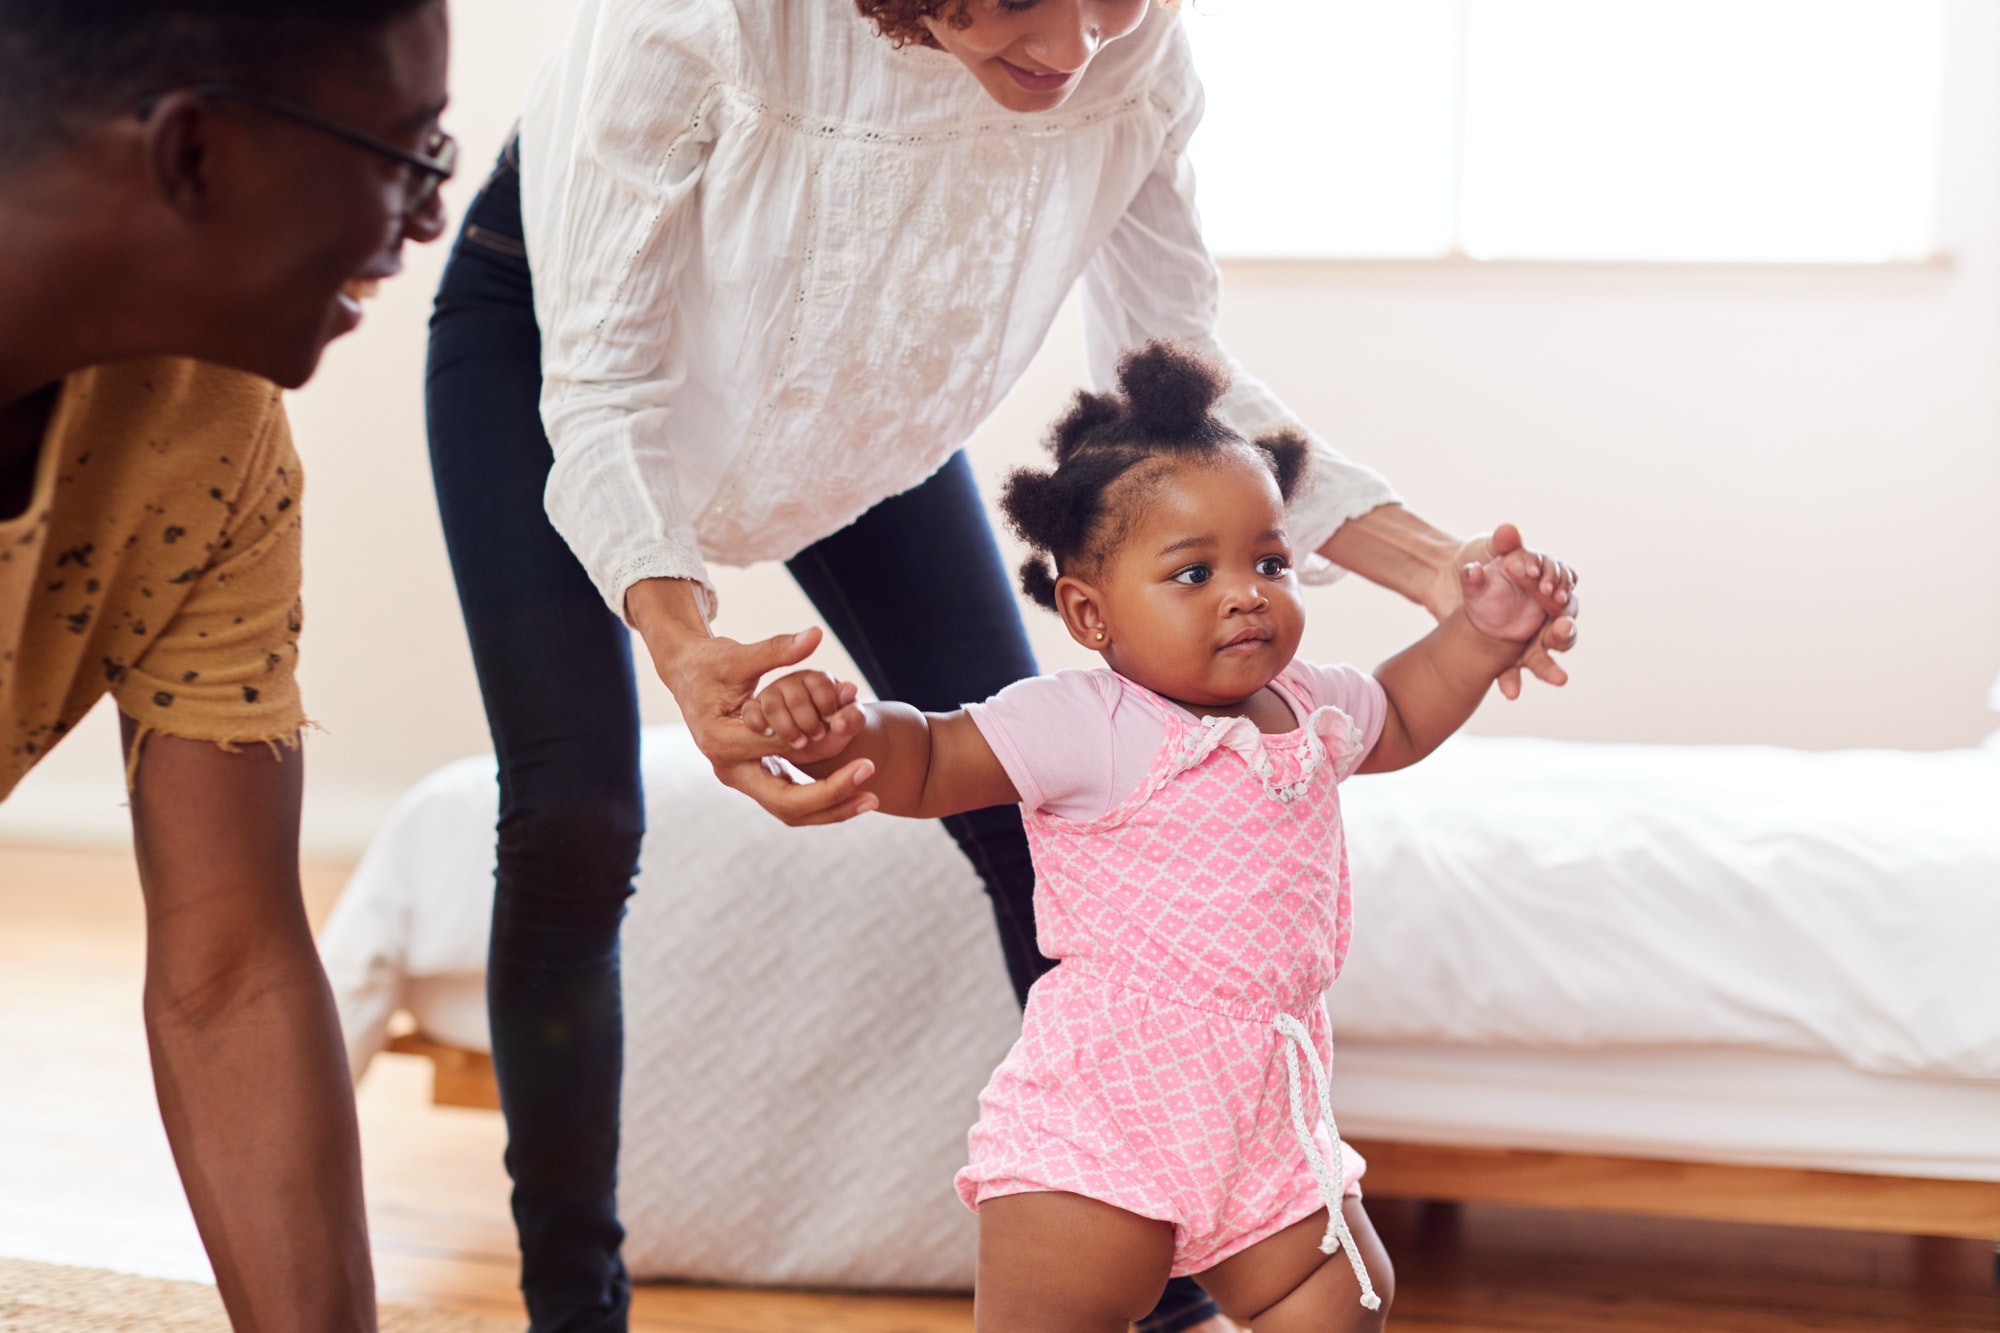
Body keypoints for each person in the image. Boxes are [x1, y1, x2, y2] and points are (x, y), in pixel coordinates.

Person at [425, 1, 1579, 1328]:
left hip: (861, 402)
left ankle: (1160, 1267)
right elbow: (608, 394)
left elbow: (1185, 384)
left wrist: (1442, 575)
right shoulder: (704, 21)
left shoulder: (1131, 49)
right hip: (564, 352)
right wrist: (686, 646)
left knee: (1037, 824)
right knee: (577, 815)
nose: (1082, 42)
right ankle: (576, 1305)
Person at [750, 342, 1577, 1333]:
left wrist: (1479, 638)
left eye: (1269, 561)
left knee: (1344, 1293)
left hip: (1263, 1123)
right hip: (1105, 1123)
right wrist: (836, 733)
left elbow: (1398, 715)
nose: (1244, 591)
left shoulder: (1304, 704)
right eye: (1192, 571)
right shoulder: (1083, 722)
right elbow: (930, 758)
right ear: (1089, 613)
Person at [0, 2, 452, 1327]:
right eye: (403, 153)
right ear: (195, 156)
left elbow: (232, 968)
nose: (424, 219)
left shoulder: (211, 426)